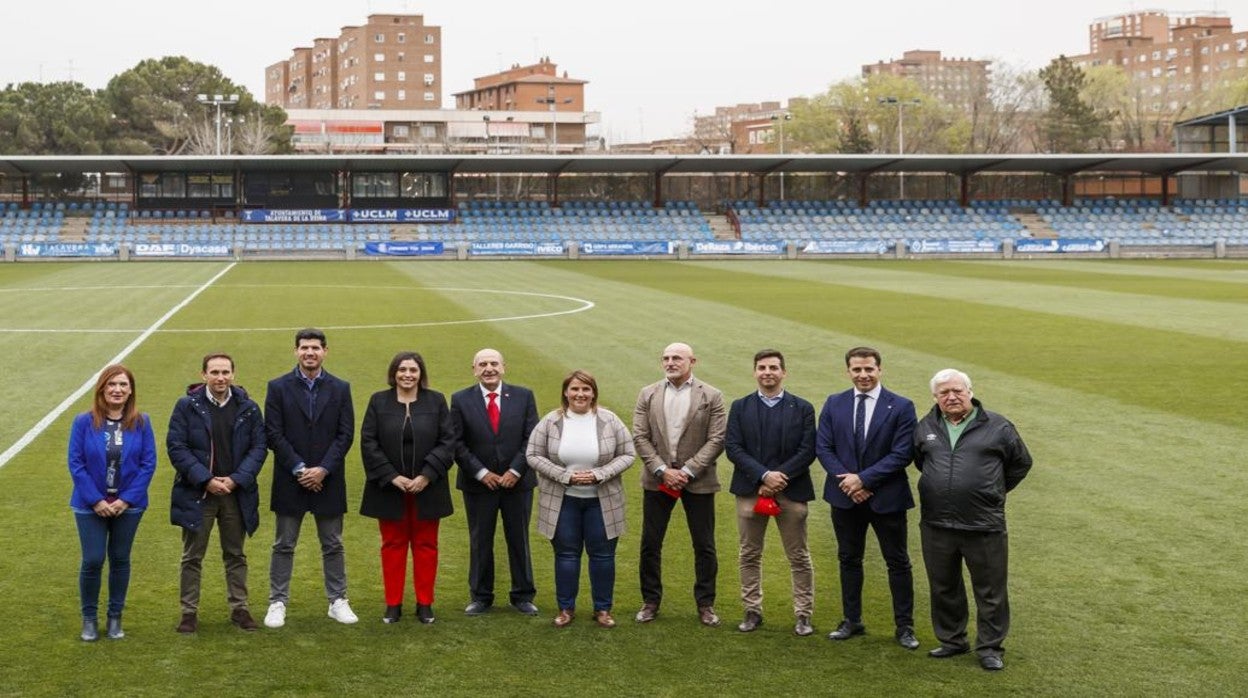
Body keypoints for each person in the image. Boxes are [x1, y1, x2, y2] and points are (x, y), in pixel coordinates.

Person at [914, 368, 1032, 671]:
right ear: (935, 397)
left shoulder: (998, 425)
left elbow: (1021, 463)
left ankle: (990, 647)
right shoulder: (926, 425)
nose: (951, 397)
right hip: (937, 523)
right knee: (943, 586)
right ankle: (953, 640)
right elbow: (921, 461)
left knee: (990, 589)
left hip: (983, 523)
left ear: (969, 392)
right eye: (944, 393)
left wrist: (993, 490)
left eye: (957, 391)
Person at [816, 347, 920, 649]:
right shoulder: (835, 403)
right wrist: (850, 482)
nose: (863, 375)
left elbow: (902, 453)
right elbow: (824, 447)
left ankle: (904, 627)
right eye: (857, 370)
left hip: (886, 497)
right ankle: (852, 620)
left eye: (869, 369)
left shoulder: (900, 406)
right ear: (848, 371)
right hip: (844, 497)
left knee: (897, 561)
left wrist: (864, 479)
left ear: (880, 370)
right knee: (849, 559)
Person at [263, 328, 357, 628]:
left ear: (325, 351)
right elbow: (273, 433)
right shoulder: (277, 387)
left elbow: (345, 434)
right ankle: (277, 601)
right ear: (296, 351)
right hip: (292, 479)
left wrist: (323, 469)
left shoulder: (341, 388)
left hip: (328, 479)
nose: (310, 353)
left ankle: (337, 600)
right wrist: (300, 469)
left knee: (332, 543)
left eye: (315, 348)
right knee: (284, 544)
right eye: (304, 348)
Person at [168, 353, 267, 634]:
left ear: (233, 374)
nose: (220, 378)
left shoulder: (248, 407)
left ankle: (240, 608)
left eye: (225, 372)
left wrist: (236, 480)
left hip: (235, 494)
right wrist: (206, 480)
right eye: (214, 372)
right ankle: (188, 612)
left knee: (235, 553)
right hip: (199, 493)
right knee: (192, 556)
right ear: (203, 375)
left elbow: (259, 448)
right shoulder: (187, 406)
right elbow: (177, 447)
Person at [526, 370, 635, 628]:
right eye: (575, 389)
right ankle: (566, 608)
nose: (580, 394)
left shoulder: (609, 419)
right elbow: (532, 454)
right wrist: (565, 476)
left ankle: (603, 609)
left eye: (586, 389)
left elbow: (628, 454)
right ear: (566, 392)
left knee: (603, 556)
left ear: (594, 393)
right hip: (563, 501)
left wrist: (600, 474)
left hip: (603, 500)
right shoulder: (551, 421)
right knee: (566, 555)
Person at [633, 342, 726, 626]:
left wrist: (687, 470)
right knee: (650, 543)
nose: (670, 362)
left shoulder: (711, 395)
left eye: (677, 358)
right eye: (666, 358)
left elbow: (717, 438)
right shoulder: (648, 393)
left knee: (704, 544)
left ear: (692, 361)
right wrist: (663, 470)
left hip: (697, 481)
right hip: (657, 479)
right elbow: (639, 435)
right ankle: (650, 601)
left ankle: (705, 603)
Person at [725, 350, 817, 636]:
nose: (768, 372)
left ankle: (803, 614)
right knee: (749, 553)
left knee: (798, 555)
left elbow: (807, 450)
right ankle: (752, 609)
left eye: (774, 367)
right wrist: (763, 476)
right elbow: (734, 447)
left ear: (784, 372)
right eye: (762, 367)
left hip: (791, 490)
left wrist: (779, 478)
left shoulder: (802, 407)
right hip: (751, 490)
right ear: (755, 372)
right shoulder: (740, 406)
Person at [360, 351, 456, 624]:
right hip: (390, 489)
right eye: (402, 369)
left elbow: (447, 441)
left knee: (426, 545)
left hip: (428, 488)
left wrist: (426, 475)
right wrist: (391, 476)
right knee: (392, 545)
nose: (407, 375)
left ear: (420, 374)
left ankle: (425, 604)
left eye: (413, 370)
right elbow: (369, 442)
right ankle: (393, 604)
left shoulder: (435, 400)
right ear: (394, 373)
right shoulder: (379, 401)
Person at [67, 364, 157, 641]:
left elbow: (148, 463)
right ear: (102, 389)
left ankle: (115, 618)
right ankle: (89, 619)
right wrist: (96, 500)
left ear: (131, 390)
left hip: (128, 506)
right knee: (93, 560)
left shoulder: (142, 422)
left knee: (120, 559)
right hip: (89, 504)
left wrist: (126, 500)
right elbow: (76, 462)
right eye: (112, 385)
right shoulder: (83, 422)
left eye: (123, 385)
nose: (117, 390)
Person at [450, 348, 540, 616]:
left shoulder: (523, 396)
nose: (489, 368)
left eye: (493, 363)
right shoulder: (460, 399)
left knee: (518, 538)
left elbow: (531, 437)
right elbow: (456, 442)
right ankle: (481, 596)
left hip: (518, 483)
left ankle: (522, 595)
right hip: (478, 484)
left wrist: (515, 470)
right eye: (482, 364)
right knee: (480, 539)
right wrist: (481, 472)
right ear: (474, 369)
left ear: (503, 367)